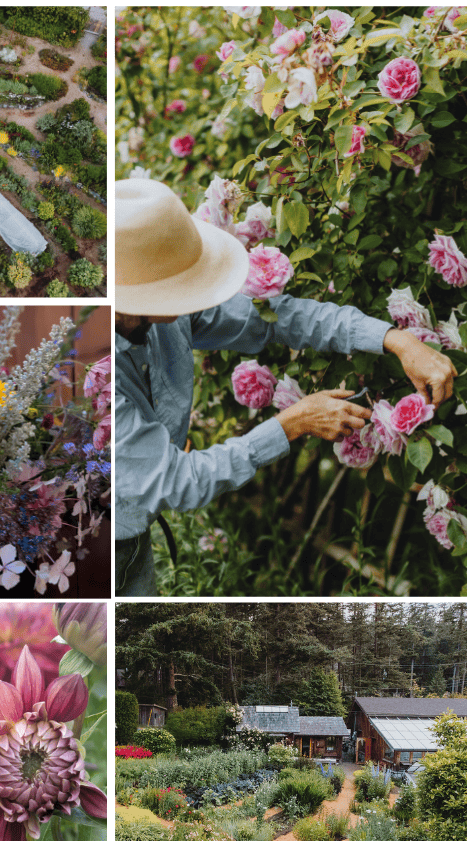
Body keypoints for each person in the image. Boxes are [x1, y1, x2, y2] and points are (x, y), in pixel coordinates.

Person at [115, 178, 457, 596]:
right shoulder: (98, 375)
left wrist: (395, 339)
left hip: (133, 530)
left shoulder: (166, 314)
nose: (187, 301)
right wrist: (293, 423)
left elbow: (278, 318)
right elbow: (178, 481)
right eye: (175, 291)